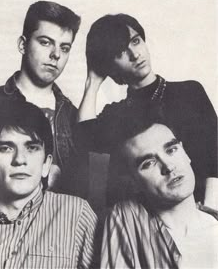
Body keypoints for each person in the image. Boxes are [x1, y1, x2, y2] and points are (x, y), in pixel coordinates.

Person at [78, 13, 217, 206]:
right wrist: (92, 83)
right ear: (110, 67)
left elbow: (214, 155)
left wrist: (210, 213)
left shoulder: (189, 92)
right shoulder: (116, 115)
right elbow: (84, 138)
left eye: (136, 41)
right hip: (143, 222)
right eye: (120, 52)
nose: (135, 54)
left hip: (199, 209)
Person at [0, 1, 89, 198]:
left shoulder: (74, 116)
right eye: (45, 42)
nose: (56, 54)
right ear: (23, 45)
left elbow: (82, 193)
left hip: (60, 224)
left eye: (64, 48)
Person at [0, 101, 97, 269]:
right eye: (6, 148)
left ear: (46, 165)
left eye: (32, 148)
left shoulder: (77, 214)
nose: (20, 159)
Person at [100, 105, 218, 268]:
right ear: (133, 182)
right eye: (148, 163)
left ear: (185, 153)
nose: (168, 167)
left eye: (171, 150)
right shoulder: (126, 218)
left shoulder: (213, 225)